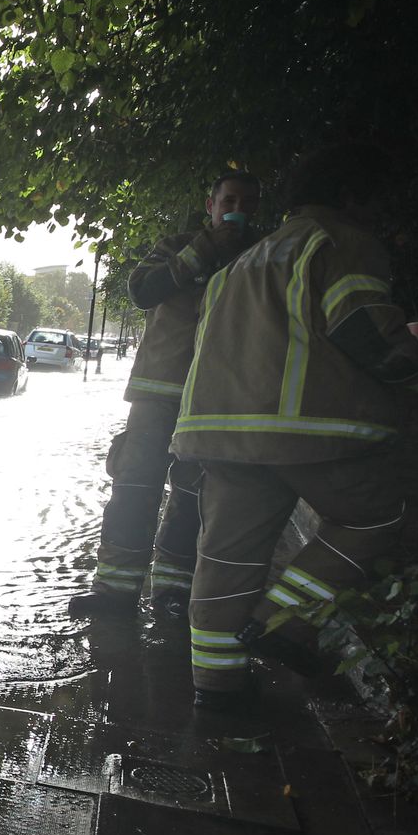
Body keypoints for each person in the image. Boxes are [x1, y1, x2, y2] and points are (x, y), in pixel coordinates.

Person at [172, 145, 418, 710]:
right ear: (356, 196)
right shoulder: (339, 241)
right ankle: (285, 623)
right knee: (380, 514)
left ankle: (216, 690)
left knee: (226, 561)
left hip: (220, 434)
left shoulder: (244, 260)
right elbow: (369, 334)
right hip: (307, 431)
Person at [78, 172, 258, 615]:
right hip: (158, 394)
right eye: (228, 200)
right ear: (210, 205)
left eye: (246, 203)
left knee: (193, 496)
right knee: (134, 485)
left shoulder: (259, 256)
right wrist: (203, 251)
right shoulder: (178, 245)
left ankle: (172, 592)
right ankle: (114, 591)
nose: (236, 209)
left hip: (219, 397)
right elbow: (142, 291)